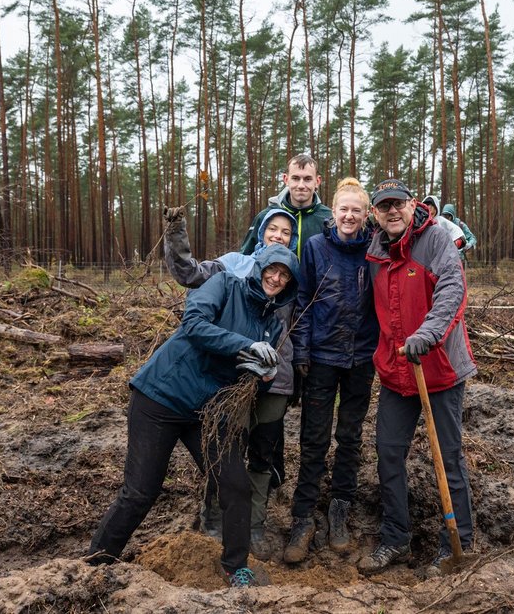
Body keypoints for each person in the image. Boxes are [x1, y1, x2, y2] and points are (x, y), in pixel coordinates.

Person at [88, 244, 300, 589]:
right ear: (259, 266)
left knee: (235, 486)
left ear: (289, 284)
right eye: (271, 270)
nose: (275, 278)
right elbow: (194, 325)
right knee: (141, 490)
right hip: (162, 396)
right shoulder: (224, 285)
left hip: (208, 411)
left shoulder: (272, 329)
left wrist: (264, 378)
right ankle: (96, 563)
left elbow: (247, 387)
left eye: (284, 275)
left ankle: (236, 568)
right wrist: (242, 346)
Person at [162, 206, 297, 561]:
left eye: (286, 232)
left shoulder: (292, 277)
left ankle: (253, 526)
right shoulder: (232, 265)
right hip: (229, 376)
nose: (279, 235)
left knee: (262, 454)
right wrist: (176, 235)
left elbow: (303, 327)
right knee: (224, 450)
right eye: (274, 228)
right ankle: (214, 520)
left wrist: (301, 370)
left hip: (274, 380)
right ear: (261, 231)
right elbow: (189, 274)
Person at [357, 178, 477, 576]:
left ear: (412, 206)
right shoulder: (374, 250)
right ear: (375, 213)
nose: (392, 211)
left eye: (398, 204)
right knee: (389, 452)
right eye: (383, 206)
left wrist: (427, 334)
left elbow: (452, 290)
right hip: (396, 373)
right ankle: (396, 539)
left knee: (447, 456)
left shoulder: (436, 240)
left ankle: (457, 543)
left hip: (439, 369)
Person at [283, 178, 379, 564]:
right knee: (314, 440)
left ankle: (339, 513)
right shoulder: (315, 248)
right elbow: (303, 299)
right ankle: (303, 519)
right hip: (321, 357)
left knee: (350, 438)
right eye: (344, 209)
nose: (350, 216)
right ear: (334, 211)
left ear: (365, 213)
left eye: (357, 209)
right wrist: (302, 350)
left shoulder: (376, 249)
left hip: (362, 358)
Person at [240, 153, 333, 257]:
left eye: (307, 179)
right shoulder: (266, 216)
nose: (301, 185)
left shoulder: (329, 219)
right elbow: (244, 259)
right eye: (295, 178)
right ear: (286, 179)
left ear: (317, 181)